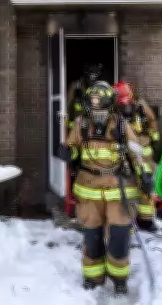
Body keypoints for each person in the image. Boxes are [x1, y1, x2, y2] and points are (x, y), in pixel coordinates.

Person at [56, 81, 149, 295]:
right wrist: (68, 153)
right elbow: (73, 149)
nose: (97, 112)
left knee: (119, 236)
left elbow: (136, 152)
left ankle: (119, 278)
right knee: (92, 236)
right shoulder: (80, 124)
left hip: (118, 190)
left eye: (102, 107)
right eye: (93, 107)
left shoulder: (121, 125)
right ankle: (93, 277)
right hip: (89, 191)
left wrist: (144, 173)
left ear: (111, 106)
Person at [113, 81, 160, 230]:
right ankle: (128, 219)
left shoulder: (140, 105)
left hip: (143, 148)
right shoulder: (113, 111)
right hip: (126, 151)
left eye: (127, 100)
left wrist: (153, 137)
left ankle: (146, 220)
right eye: (122, 102)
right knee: (128, 186)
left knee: (146, 183)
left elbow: (152, 120)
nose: (125, 105)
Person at [66, 63, 103, 130]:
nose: (92, 82)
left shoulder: (99, 89)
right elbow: (66, 108)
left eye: (95, 79)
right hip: (75, 127)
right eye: (90, 77)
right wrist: (66, 129)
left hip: (91, 128)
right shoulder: (75, 87)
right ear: (85, 75)